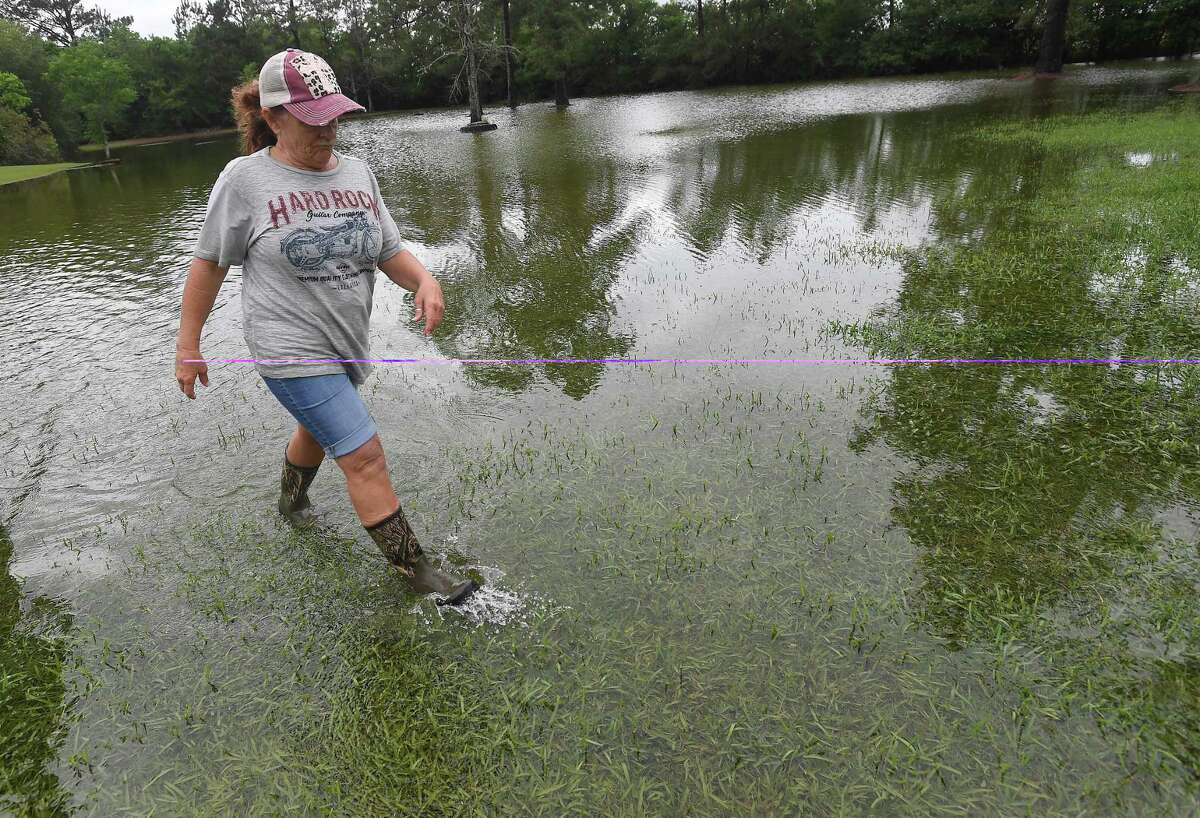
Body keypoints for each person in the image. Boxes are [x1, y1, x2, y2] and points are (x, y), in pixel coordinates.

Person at [174, 48, 478, 606]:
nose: (329, 130)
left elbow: (387, 248)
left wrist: (424, 281)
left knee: (319, 428)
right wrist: (188, 343)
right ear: (273, 118)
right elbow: (210, 262)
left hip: (345, 339)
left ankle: (291, 504)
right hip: (286, 344)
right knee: (363, 453)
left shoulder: (357, 172)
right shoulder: (245, 180)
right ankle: (420, 575)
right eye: (314, 120)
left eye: (334, 115)